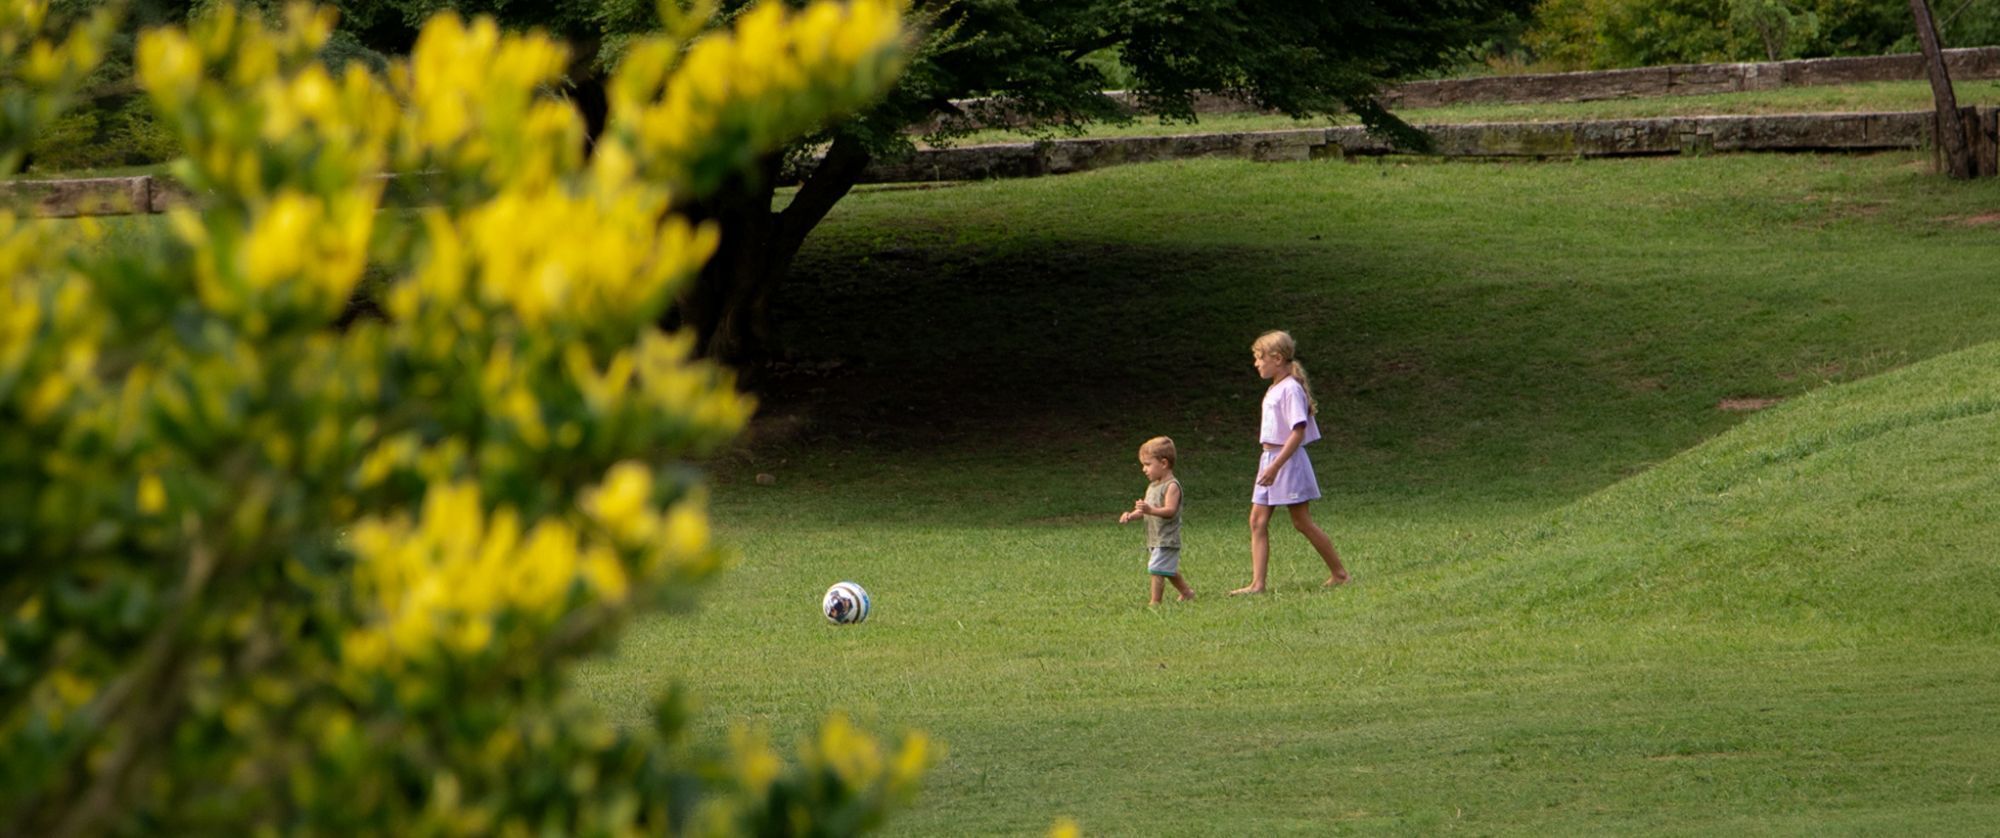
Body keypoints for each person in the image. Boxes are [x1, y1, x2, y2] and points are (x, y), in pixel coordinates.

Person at [1230, 330, 1351, 595]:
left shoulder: (1291, 389)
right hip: (1269, 459)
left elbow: (1298, 431)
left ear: (1277, 358)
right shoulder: (1275, 387)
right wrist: (1269, 464)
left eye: (1260, 358)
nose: (1256, 364)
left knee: (1301, 522)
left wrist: (1276, 467)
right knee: (1257, 521)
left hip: (1286, 462)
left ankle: (1340, 574)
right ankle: (1257, 584)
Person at [1119, 436, 1195, 604]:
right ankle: (1187, 592)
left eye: (1147, 464)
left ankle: (1155, 602)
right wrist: (1132, 515)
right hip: (1155, 537)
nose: (1144, 469)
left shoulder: (1172, 486)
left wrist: (1150, 509)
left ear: (1164, 463)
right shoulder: (1152, 486)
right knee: (1167, 568)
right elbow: (1145, 512)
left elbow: (1170, 510)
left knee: (1156, 569)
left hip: (1167, 537)